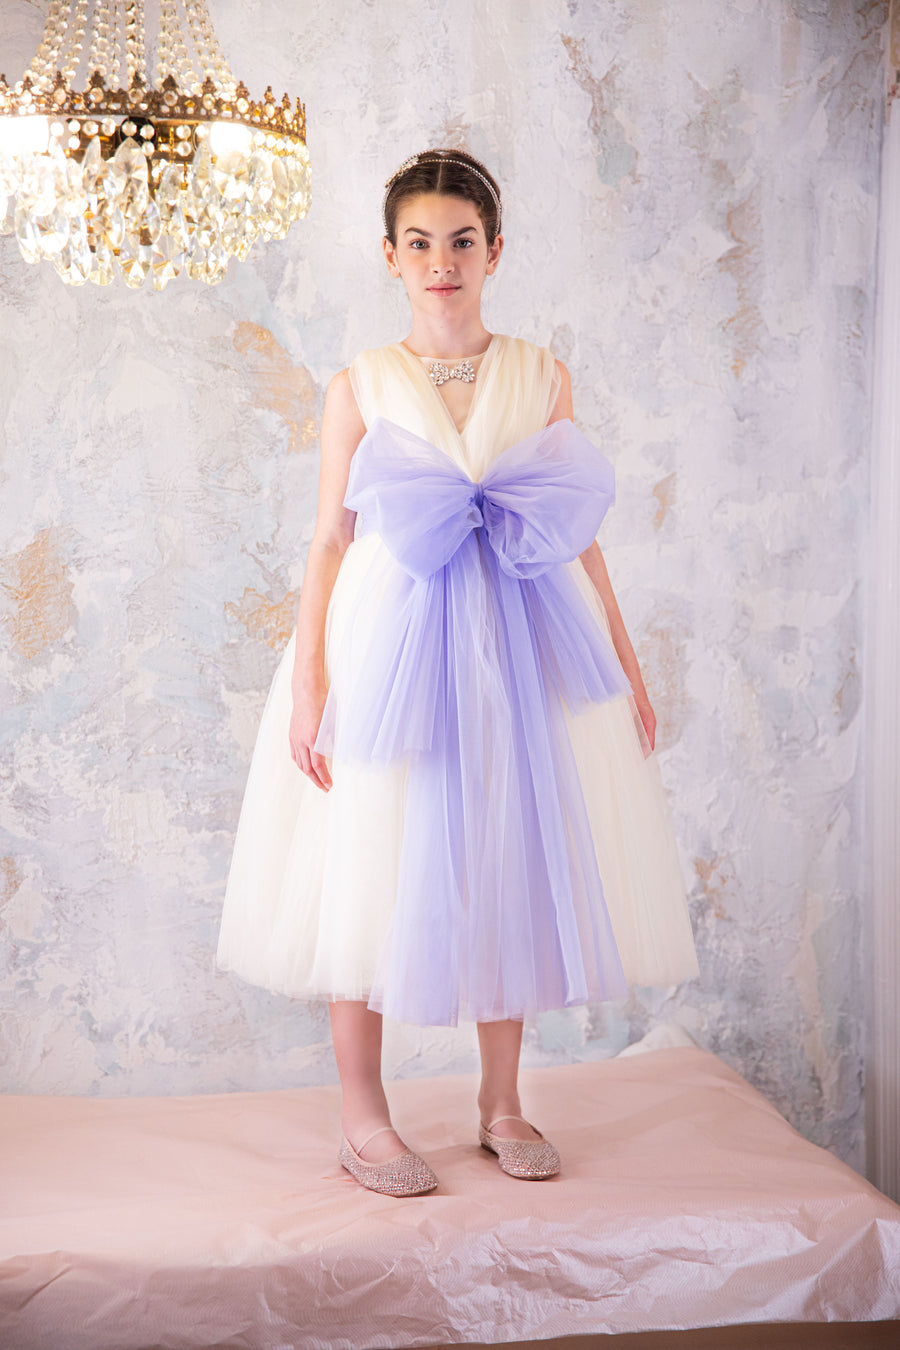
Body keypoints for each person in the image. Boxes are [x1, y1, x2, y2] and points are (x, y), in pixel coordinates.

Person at [217, 148, 699, 1197]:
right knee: (369, 855)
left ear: (495, 252)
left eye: (463, 242)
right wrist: (310, 680)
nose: (443, 261)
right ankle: (364, 1116)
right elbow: (330, 539)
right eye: (421, 243)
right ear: (391, 256)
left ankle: (502, 1101)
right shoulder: (361, 384)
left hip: (518, 642)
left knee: (505, 847)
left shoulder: (540, 375)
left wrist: (625, 661)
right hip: (387, 646)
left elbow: (576, 530)